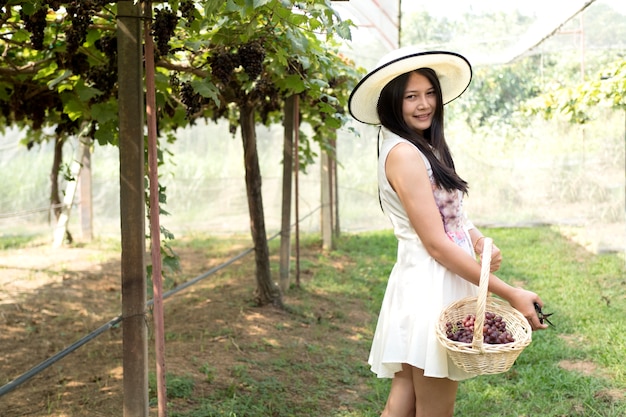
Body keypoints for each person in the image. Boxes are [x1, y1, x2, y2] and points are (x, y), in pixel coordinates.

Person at [348, 47, 549, 417]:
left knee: (407, 395)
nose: (424, 104)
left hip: (432, 281)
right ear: (393, 102)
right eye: (411, 96)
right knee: (435, 406)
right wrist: (510, 293)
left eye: (429, 94)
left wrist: (476, 239)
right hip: (429, 286)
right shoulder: (404, 154)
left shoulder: (424, 146)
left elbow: (451, 213)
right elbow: (437, 245)